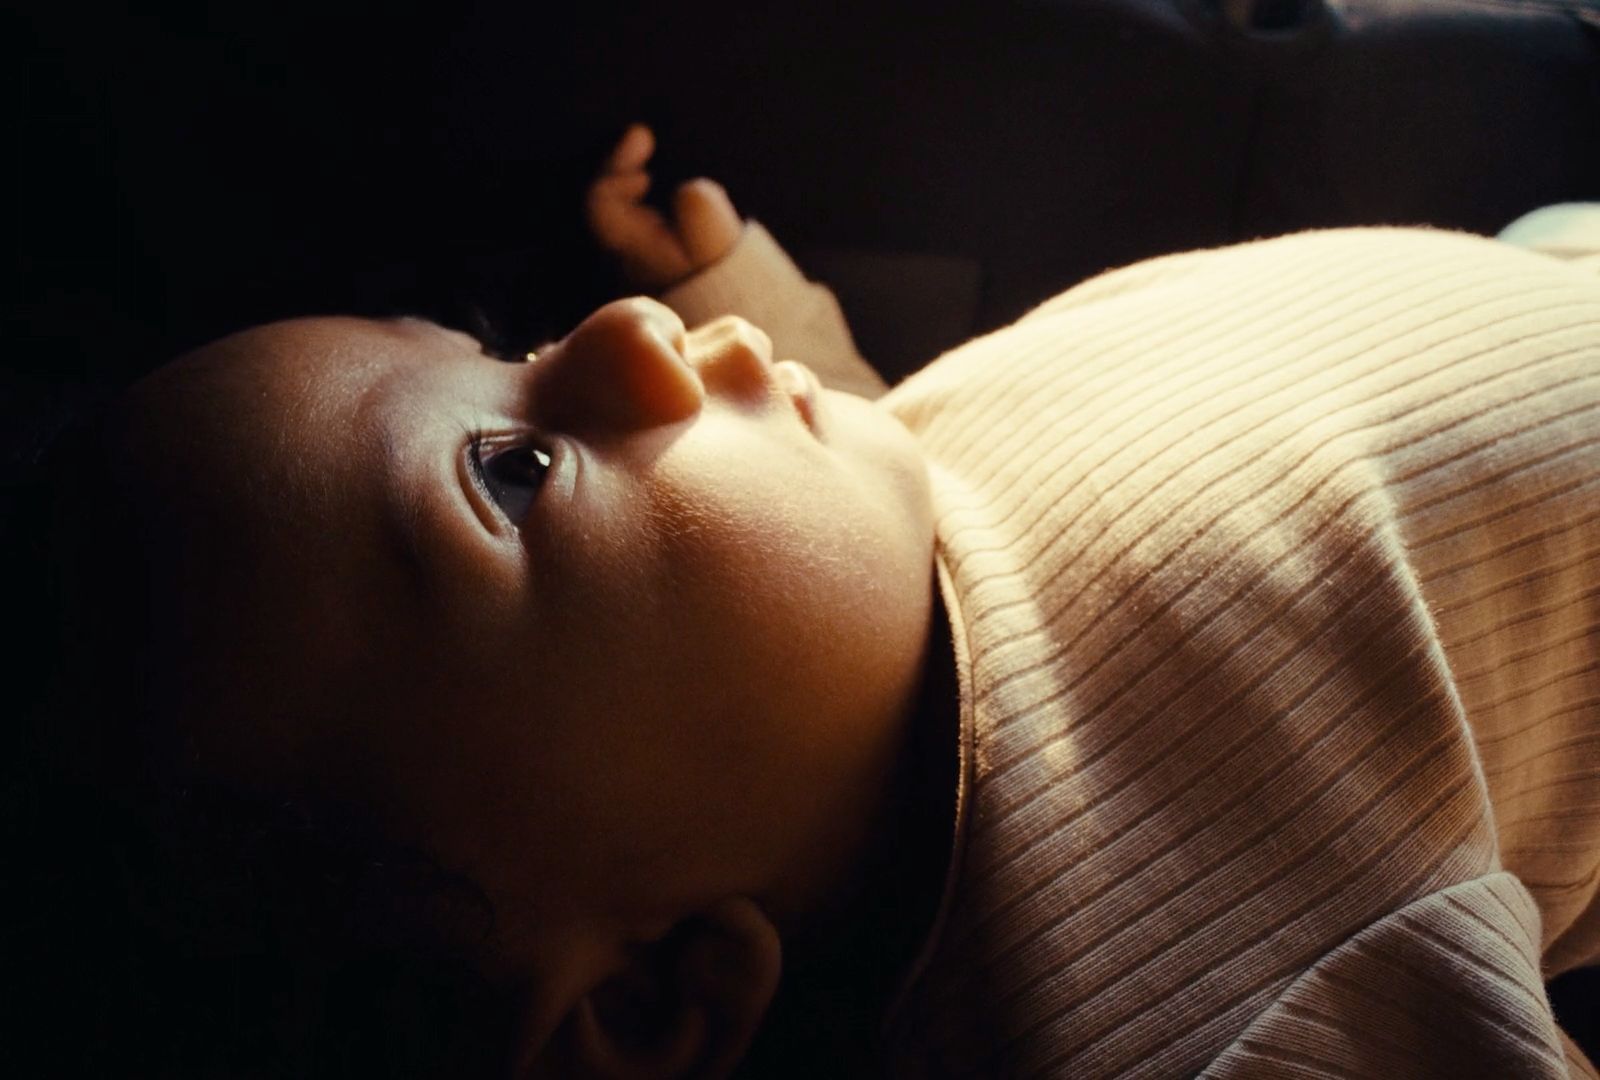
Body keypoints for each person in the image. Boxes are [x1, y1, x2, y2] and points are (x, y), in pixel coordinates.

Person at [33, 124, 1600, 1078]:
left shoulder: (851, 607)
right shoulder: (1213, 1018)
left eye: (492, 342)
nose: (624, 333)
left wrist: (751, 303)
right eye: (515, 473)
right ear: (654, 999)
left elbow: (884, 432)